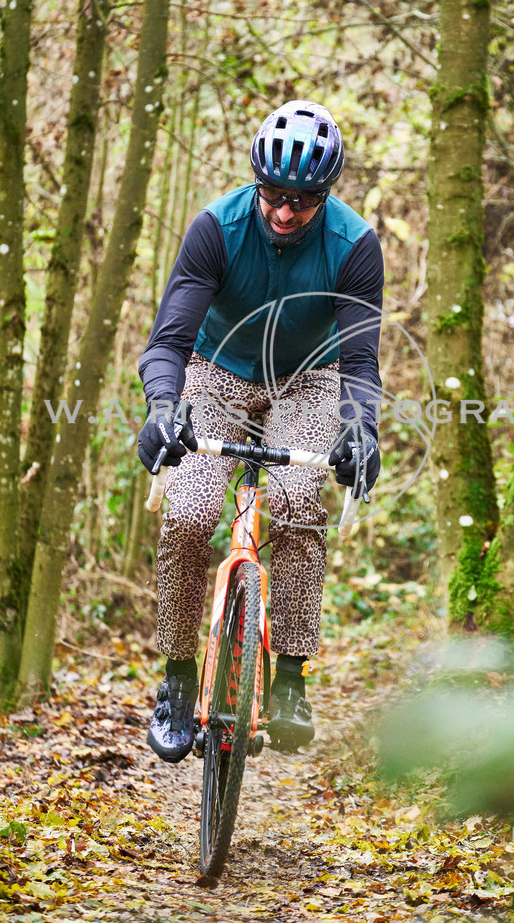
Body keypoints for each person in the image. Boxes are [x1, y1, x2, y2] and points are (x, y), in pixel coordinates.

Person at [137, 99, 384, 761]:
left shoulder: (353, 246)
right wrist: (164, 406)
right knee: (188, 515)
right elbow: (167, 344)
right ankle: (177, 678)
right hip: (214, 371)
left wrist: (362, 430)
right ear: (256, 183)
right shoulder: (215, 229)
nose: (284, 211)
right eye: (273, 194)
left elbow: (360, 362)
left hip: (309, 377)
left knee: (296, 503)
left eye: (303, 201)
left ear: (324, 197)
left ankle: (293, 681)